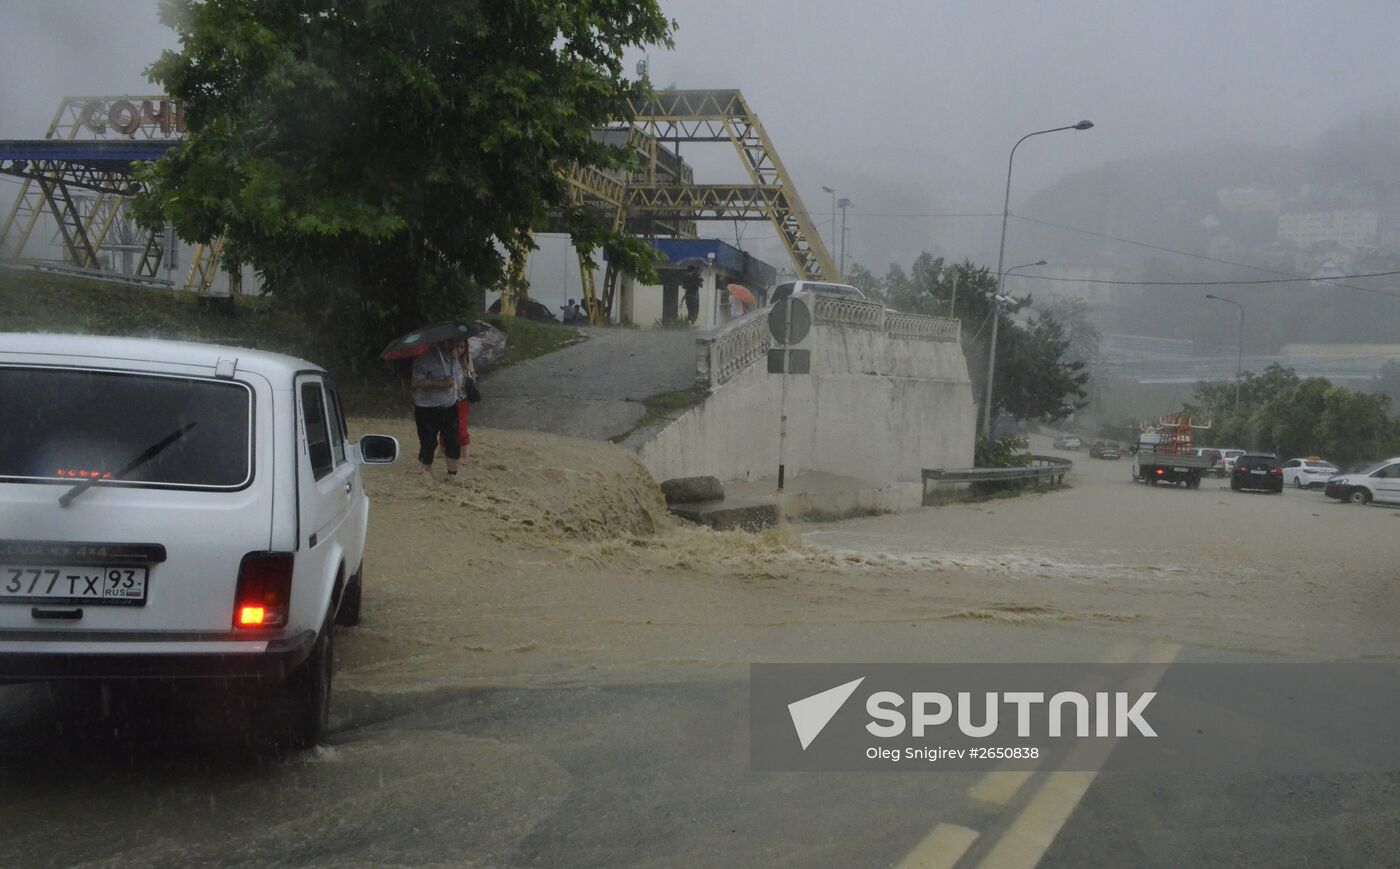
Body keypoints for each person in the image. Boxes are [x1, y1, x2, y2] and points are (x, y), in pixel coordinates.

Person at [411, 338, 461, 480]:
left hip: (450, 406)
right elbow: (415, 382)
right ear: (439, 341)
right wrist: (439, 384)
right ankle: (426, 474)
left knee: (453, 441)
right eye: (449, 342)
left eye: (454, 342)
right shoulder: (424, 358)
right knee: (428, 442)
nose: (452, 345)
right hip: (427, 409)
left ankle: (452, 475)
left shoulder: (454, 356)